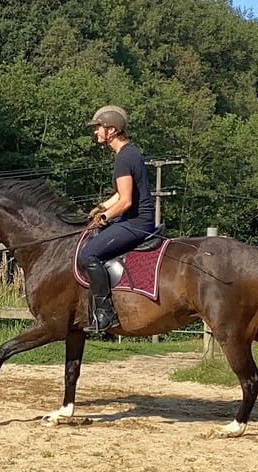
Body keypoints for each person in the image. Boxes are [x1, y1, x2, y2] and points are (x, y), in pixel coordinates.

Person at [78, 105, 156, 333]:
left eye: (98, 128)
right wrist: (99, 209)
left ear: (111, 130)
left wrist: (104, 217)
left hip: (136, 223)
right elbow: (119, 196)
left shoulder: (124, 158)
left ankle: (105, 313)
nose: (96, 132)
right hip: (133, 220)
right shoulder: (129, 153)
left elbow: (126, 201)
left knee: (88, 254)